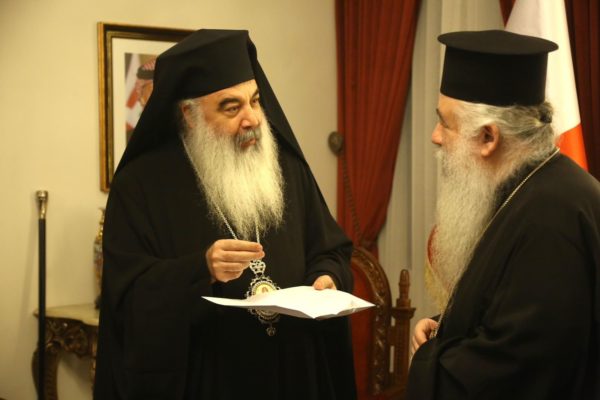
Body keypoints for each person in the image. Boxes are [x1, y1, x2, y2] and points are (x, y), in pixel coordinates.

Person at [94, 29, 356, 400]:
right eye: (231, 108)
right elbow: (128, 297)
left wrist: (326, 277)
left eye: (255, 101)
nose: (252, 119)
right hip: (210, 378)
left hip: (291, 369)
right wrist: (199, 269)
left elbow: (329, 249)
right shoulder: (141, 185)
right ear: (189, 114)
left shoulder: (286, 167)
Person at [406, 30, 600, 399]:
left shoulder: (553, 220)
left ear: (488, 138)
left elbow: (519, 370)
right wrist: (444, 328)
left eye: (445, 123)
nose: (435, 136)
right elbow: (505, 307)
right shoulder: (526, 189)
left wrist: (431, 361)